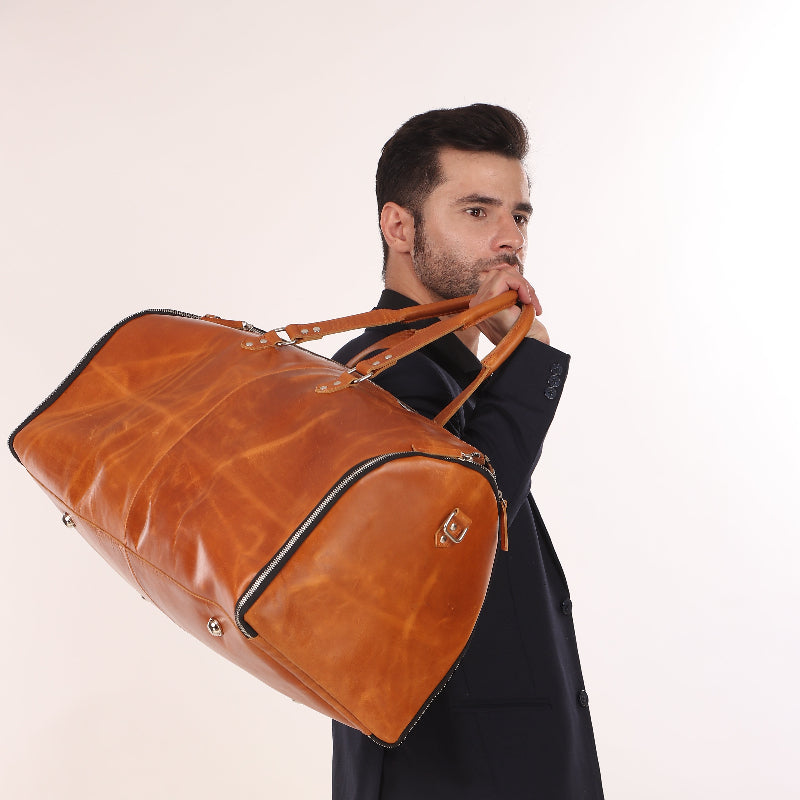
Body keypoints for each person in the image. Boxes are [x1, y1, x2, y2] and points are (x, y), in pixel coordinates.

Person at [331, 104, 603, 799]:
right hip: (448, 774)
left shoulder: (450, 376)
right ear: (400, 226)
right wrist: (530, 356)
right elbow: (464, 525)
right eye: (477, 212)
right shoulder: (381, 375)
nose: (509, 239)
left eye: (519, 215)